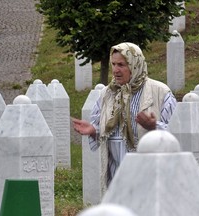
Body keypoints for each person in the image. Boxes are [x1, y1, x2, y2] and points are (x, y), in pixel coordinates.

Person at [72, 42, 177, 192]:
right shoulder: (108, 94)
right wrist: (94, 130)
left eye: (121, 64)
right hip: (117, 178)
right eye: (113, 64)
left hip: (149, 177)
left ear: (135, 65)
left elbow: (177, 134)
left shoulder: (160, 92)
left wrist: (155, 127)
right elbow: (106, 132)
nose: (115, 70)